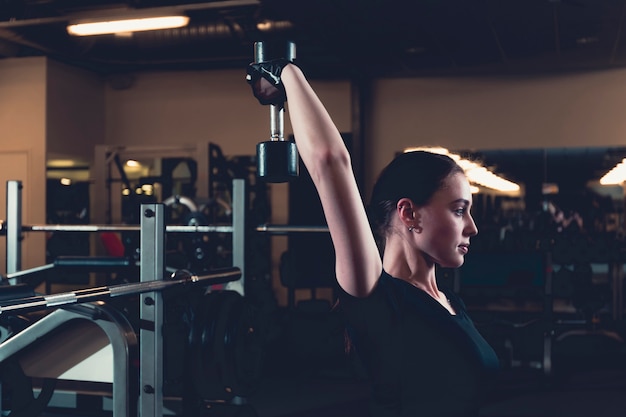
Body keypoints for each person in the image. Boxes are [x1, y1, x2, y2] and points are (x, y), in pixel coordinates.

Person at [246, 59, 500, 417]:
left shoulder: (451, 301)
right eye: (459, 210)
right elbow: (329, 161)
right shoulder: (378, 297)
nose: (472, 227)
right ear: (409, 213)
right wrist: (286, 72)